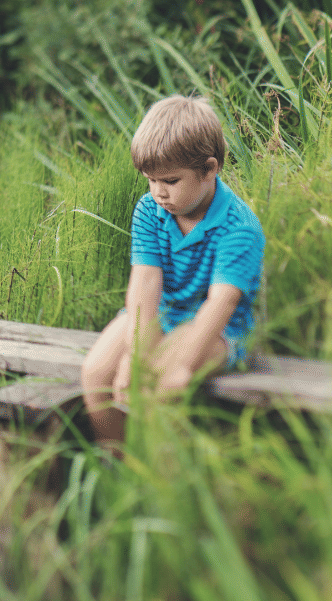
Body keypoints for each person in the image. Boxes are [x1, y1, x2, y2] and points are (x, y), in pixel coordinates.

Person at [80, 95, 265, 447]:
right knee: (95, 373)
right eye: (150, 180)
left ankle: (164, 485)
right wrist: (136, 351)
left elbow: (221, 303)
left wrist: (182, 366)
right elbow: (145, 283)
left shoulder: (239, 227)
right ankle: (119, 465)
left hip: (217, 328)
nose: (158, 192)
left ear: (209, 169)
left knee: (157, 383)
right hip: (164, 311)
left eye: (170, 180)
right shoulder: (151, 210)